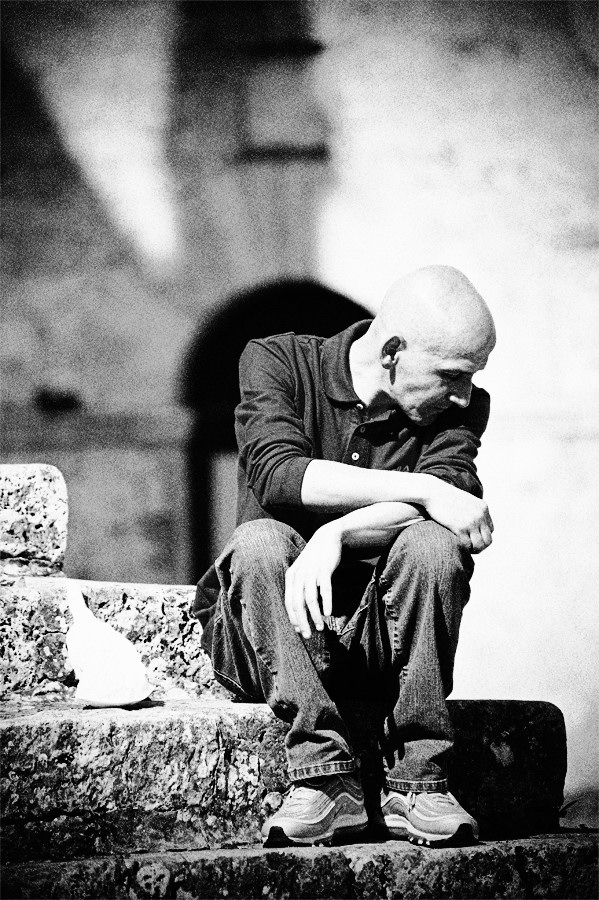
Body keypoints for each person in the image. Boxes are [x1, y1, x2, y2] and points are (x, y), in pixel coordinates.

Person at [192, 265, 496, 848]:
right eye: (452, 375)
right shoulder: (276, 360)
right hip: (272, 634)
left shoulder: (458, 409)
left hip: (381, 639)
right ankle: (324, 780)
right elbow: (280, 477)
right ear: (392, 353)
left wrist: (338, 534)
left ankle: (419, 781)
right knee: (259, 542)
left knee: (434, 544)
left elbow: (451, 500)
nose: (464, 394)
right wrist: (424, 489)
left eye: (472, 376)